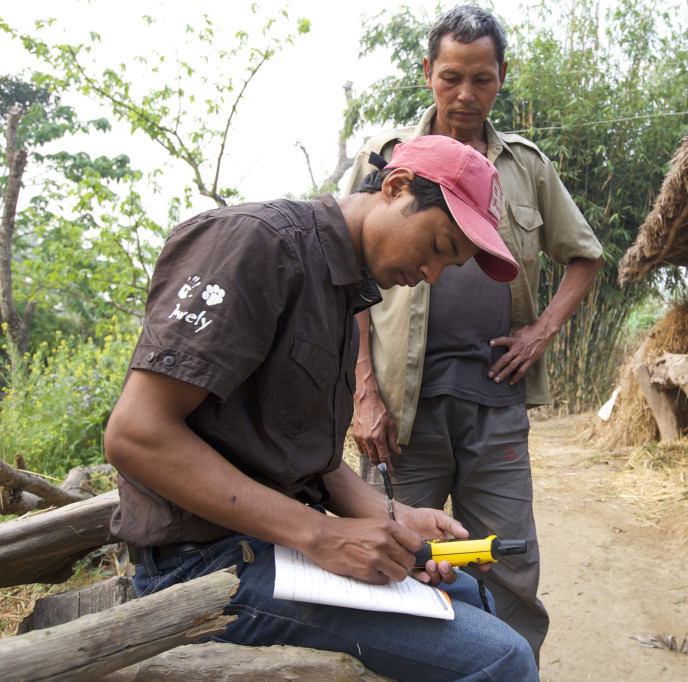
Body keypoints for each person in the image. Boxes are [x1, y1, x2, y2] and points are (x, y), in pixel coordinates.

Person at [104, 134, 539, 682]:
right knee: (505, 657)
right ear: (396, 187)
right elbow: (136, 434)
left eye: (449, 267)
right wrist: (323, 536)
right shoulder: (257, 244)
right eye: (437, 245)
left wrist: (392, 516)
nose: (431, 275)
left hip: (271, 545)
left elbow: (307, 455)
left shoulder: (342, 288)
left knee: (469, 591)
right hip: (201, 564)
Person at [342, 6, 603, 662]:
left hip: (495, 405)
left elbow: (585, 254)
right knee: (396, 558)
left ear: (502, 77)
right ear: (428, 72)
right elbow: (345, 271)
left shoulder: (527, 167)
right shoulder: (384, 158)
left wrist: (540, 332)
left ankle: (508, 670)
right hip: (403, 415)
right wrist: (363, 393)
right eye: (450, 77)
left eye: (481, 80)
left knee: (508, 567)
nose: (465, 95)